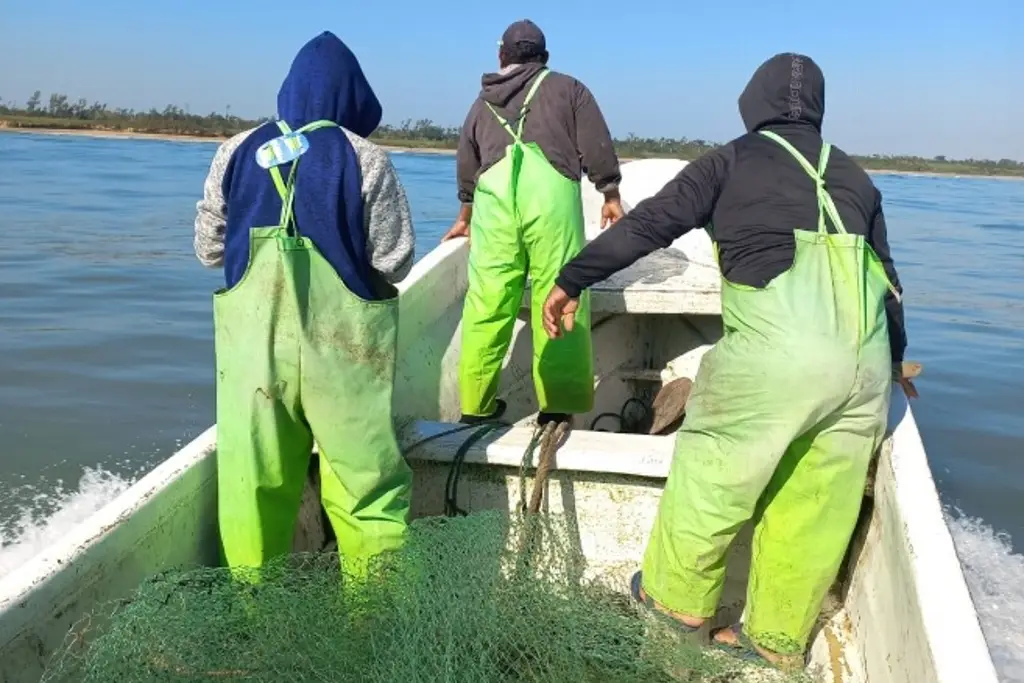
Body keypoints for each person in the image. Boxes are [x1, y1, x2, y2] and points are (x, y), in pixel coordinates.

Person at [542, 53, 916, 668]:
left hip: (776, 357)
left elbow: (648, 228)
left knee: (712, 477)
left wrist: (571, 279)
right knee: (815, 506)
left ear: (753, 102)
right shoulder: (857, 178)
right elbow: (889, 285)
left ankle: (678, 609)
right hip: (864, 370)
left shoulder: (729, 161)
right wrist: (896, 362)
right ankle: (773, 642)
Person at [193, 31, 416, 573]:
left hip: (253, 352)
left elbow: (207, 249)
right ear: (354, 96)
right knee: (367, 483)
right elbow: (395, 261)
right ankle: (375, 619)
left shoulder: (236, 150)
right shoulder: (365, 158)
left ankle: (254, 612)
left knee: (253, 480)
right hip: (344, 352)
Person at [443, 19, 624, 426]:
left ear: (501, 56)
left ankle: (476, 407)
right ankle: (557, 409)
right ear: (544, 58)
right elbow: (596, 145)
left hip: (494, 211)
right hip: (552, 207)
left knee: (487, 304)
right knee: (559, 297)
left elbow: (467, 165)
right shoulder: (568, 89)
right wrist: (609, 193)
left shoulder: (481, 102)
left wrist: (465, 216)